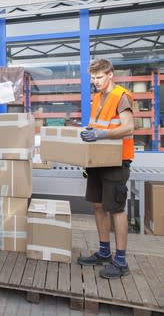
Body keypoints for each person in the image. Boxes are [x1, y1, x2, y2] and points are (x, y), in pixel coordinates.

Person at [77, 58, 135, 279]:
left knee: (116, 209)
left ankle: (120, 262)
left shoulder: (122, 96)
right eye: (92, 78)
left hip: (117, 161)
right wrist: (89, 132)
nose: (95, 81)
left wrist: (100, 134)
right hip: (98, 161)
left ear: (111, 74)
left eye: (99, 77)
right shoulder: (97, 97)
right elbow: (98, 124)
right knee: (98, 206)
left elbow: (128, 126)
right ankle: (103, 253)